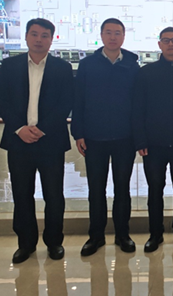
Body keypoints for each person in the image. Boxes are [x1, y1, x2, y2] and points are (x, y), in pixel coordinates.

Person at [0, 18, 73, 264]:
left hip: (50, 141)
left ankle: (54, 242)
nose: (39, 39)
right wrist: (19, 128)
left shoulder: (62, 68)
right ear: (26, 36)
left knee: (54, 195)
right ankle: (25, 244)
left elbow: (66, 102)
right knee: (22, 194)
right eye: (35, 34)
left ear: (52, 39)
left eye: (45, 35)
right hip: (18, 141)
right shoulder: (9, 66)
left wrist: (42, 129)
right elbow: (1, 99)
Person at [71, 18, 140, 256]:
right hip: (94, 137)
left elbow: (138, 104)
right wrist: (78, 133)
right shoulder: (87, 65)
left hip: (125, 137)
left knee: (122, 188)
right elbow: (78, 100)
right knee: (96, 189)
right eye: (108, 32)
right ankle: (96, 236)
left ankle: (123, 235)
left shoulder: (132, 65)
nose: (113, 37)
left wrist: (138, 136)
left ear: (123, 36)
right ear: (101, 36)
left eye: (117, 33)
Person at [133, 26, 173, 252]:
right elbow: (137, 109)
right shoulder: (146, 73)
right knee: (155, 191)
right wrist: (140, 140)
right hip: (153, 145)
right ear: (159, 44)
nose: (171, 44)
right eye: (166, 40)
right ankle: (155, 233)